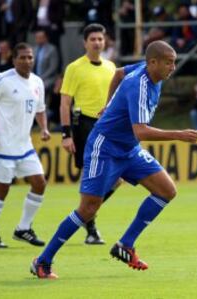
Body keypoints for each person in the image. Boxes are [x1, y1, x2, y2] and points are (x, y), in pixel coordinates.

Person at [30, 40, 197, 279]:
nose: (173, 67)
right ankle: (43, 260)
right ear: (153, 63)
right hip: (105, 146)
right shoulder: (138, 85)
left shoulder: (149, 71)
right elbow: (141, 130)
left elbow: (118, 72)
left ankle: (125, 245)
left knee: (166, 191)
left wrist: (108, 103)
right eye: (169, 63)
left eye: (174, 62)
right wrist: (178, 135)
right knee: (88, 209)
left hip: (129, 148)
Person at [0, 43, 50, 248]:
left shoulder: (37, 82)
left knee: (40, 183)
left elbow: (40, 109)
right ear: (14, 60)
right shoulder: (2, 80)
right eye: (22, 58)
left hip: (24, 145)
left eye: (30, 58)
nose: (27, 61)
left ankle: (23, 228)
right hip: (1, 145)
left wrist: (44, 128)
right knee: (2, 189)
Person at [60, 23, 118, 245]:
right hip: (85, 124)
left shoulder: (111, 67)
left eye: (100, 39)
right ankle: (91, 228)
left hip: (109, 124)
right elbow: (65, 102)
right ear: (85, 42)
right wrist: (66, 134)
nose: (97, 42)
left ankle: (85, 214)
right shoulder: (75, 68)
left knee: (119, 178)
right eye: (92, 39)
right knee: (90, 176)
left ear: (105, 42)